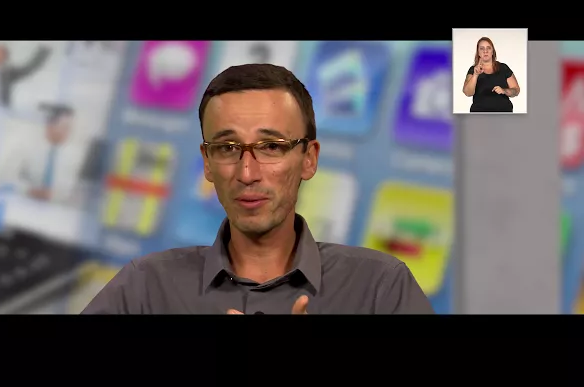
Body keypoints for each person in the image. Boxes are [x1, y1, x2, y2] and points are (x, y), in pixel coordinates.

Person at [81, 63, 434, 314]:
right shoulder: (145, 287)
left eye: (271, 147)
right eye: (227, 148)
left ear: (309, 159)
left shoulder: (380, 288)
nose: (247, 173)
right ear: (207, 163)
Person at [0, 43, 51, 107]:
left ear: (6, 57)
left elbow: (28, 69)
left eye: (1, 54)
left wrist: (43, 50)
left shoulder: (8, 73)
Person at [462, 36, 521, 113]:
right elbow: (468, 93)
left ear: (492, 51)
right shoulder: (473, 70)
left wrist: (504, 91)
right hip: (479, 114)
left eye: (488, 48)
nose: (485, 51)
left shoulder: (503, 68)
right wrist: (475, 75)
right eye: (482, 48)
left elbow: (516, 90)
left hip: (503, 114)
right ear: (478, 53)